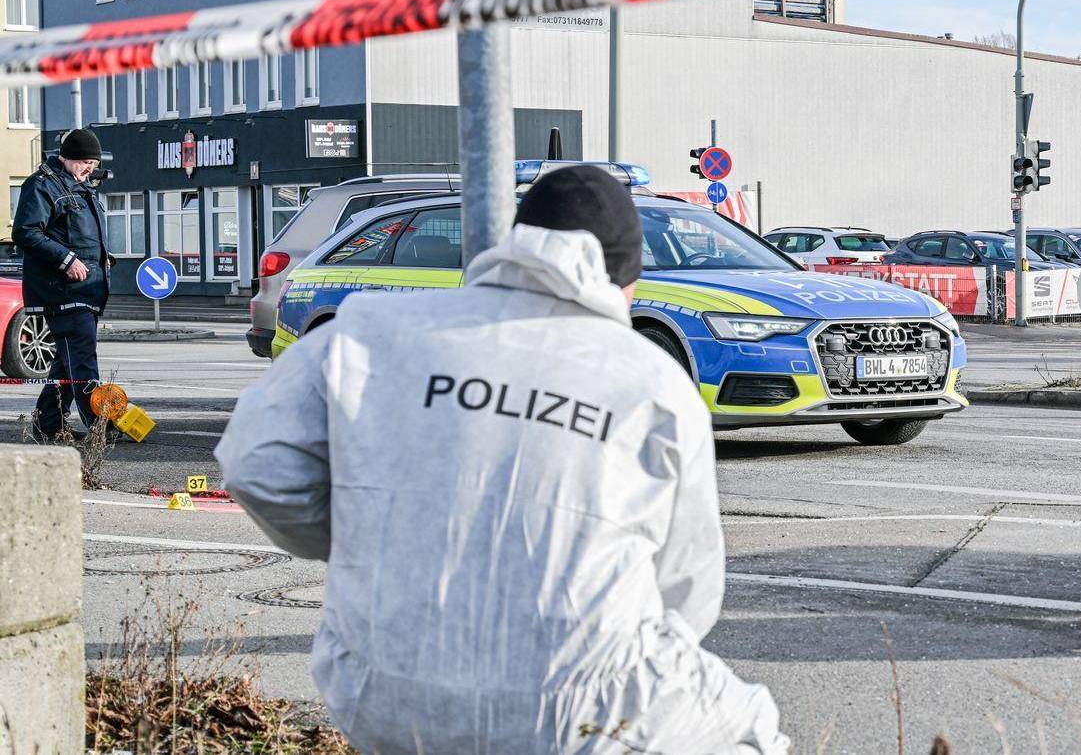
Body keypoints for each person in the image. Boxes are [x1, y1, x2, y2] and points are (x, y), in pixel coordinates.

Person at [217, 166, 789, 754]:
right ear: (626, 279)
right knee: (753, 731)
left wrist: (378, 535)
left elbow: (255, 461)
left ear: (514, 243)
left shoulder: (369, 331)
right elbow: (688, 589)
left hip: (378, 690)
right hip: (579, 710)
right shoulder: (654, 384)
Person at [13, 128, 113, 441]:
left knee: (66, 363)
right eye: (84, 161)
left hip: (86, 290)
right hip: (63, 292)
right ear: (66, 158)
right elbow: (26, 232)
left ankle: (48, 424)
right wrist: (66, 260)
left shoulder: (81, 187)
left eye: (93, 163)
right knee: (82, 359)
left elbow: (81, 235)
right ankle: (98, 425)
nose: (89, 168)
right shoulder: (43, 185)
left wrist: (102, 258)